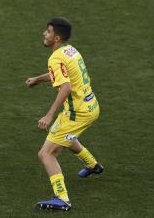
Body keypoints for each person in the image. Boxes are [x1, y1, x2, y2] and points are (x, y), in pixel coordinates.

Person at [25, 17, 103, 211]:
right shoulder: (70, 50)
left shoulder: (55, 57)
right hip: (91, 106)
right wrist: (38, 79)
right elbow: (62, 75)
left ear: (57, 38)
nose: (44, 33)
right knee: (65, 136)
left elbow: (65, 87)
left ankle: (62, 198)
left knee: (46, 153)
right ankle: (93, 165)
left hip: (76, 113)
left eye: (48, 31)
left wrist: (49, 114)